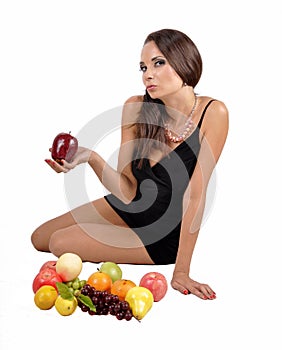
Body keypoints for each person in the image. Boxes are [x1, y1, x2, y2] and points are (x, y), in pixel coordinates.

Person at [31, 28, 228, 300]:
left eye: (159, 63)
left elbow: (195, 195)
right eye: (143, 67)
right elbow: (126, 191)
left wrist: (181, 271)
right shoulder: (136, 107)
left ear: (185, 62)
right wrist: (91, 157)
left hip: (161, 233)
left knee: (59, 242)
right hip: (130, 206)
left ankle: (121, 240)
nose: (148, 74)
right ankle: (115, 234)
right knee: (39, 238)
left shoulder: (213, 113)